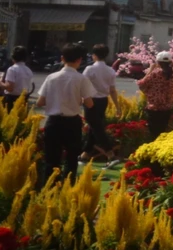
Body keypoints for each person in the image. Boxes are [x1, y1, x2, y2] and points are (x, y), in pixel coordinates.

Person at [36, 43, 97, 183]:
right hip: (72, 122)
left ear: (62, 58)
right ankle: (68, 187)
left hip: (53, 122)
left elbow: (40, 102)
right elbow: (90, 103)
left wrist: (56, 99)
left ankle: (50, 187)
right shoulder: (81, 79)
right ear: (79, 60)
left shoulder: (51, 77)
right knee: (71, 159)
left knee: (52, 159)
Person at [82, 44, 120, 164]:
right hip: (103, 101)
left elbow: (82, 86)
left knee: (96, 128)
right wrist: (118, 107)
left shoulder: (89, 69)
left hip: (90, 100)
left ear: (94, 55)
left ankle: (110, 154)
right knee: (94, 127)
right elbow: (112, 90)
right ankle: (85, 154)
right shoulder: (110, 70)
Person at [137, 51, 173, 140]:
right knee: (163, 130)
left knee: (153, 132)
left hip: (154, 107)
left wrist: (150, 70)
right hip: (167, 106)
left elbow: (141, 84)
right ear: (170, 62)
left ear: (158, 63)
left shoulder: (154, 74)